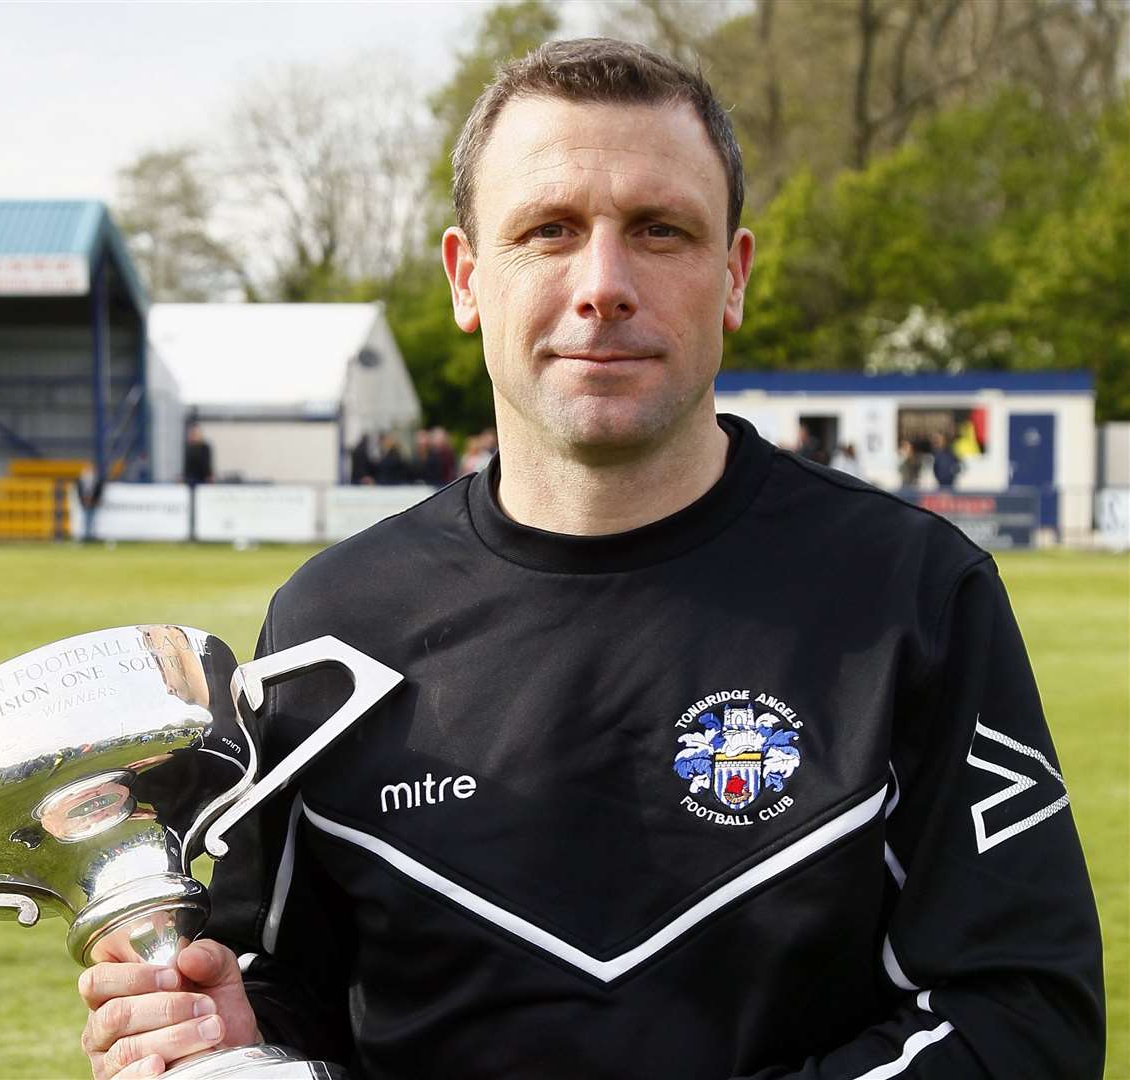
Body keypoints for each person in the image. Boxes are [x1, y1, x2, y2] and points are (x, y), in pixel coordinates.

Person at [78, 39, 1103, 1080]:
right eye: (548, 231)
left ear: (734, 276)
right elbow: (287, 983)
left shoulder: (913, 594)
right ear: (468, 277)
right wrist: (229, 1034)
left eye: (660, 231)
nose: (603, 285)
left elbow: (1024, 1016)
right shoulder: (330, 627)